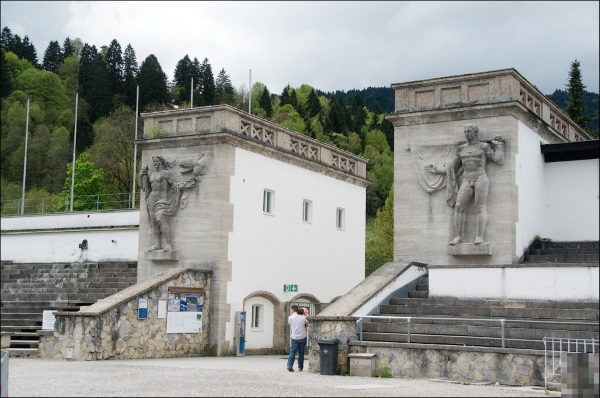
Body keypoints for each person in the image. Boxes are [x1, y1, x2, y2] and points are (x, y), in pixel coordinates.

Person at [426, 124, 505, 245]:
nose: (466, 133)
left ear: (475, 133)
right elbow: (452, 165)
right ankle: (459, 236)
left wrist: (499, 146)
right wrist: (437, 169)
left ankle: (479, 236)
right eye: (465, 131)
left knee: (480, 207)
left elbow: (498, 159)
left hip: (480, 177)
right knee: (458, 206)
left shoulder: (483, 146)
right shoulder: (461, 148)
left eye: (469, 131)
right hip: (467, 178)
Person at [287, 305, 308, 372]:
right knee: (301, 352)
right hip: (302, 336)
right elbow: (307, 324)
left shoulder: (290, 317)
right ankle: (300, 367)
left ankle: (290, 365)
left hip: (294, 336)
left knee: (293, 351)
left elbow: (290, 324)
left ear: (293, 310)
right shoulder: (304, 317)